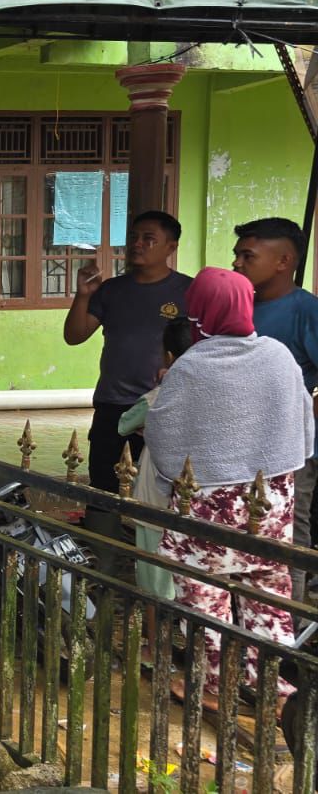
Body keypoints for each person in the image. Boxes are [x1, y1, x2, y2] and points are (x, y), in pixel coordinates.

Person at [147, 269, 306, 728]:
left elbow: (164, 434)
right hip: (270, 504)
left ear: (202, 308)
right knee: (269, 599)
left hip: (210, 508)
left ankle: (215, 688)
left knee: (204, 599)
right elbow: (304, 427)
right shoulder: (279, 356)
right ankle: (276, 694)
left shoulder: (194, 363)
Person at [62, 210, 191, 565]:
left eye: (149, 238)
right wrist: (83, 295)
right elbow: (74, 336)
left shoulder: (188, 291)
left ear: (171, 246)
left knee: (168, 489)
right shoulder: (111, 290)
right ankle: (103, 565)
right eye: (134, 236)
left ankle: (161, 565)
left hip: (167, 407)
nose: (137, 244)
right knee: (103, 487)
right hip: (113, 404)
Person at [232, 216, 318, 605]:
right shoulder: (236, 307)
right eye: (237, 255)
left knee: (286, 534)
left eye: (248, 256)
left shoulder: (306, 312)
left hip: (289, 451)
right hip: (234, 444)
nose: (236, 263)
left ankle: (287, 624)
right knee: (234, 528)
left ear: (283, 261)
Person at [117, 317, 193, 603]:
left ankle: (152, 637)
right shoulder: (212, 395)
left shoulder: (157, 396)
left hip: (156, 492)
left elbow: (124, 424)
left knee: (153, 576)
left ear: (169, 357)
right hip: (193, 492)